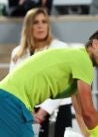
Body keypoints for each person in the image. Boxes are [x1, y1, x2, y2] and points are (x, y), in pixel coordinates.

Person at [0, 29, 98, 136]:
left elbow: (81, 112)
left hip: (6, 98)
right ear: (95, 44)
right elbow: (89, 112)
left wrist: (88, 135)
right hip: (12, 102)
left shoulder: (77, 59)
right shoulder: (83, 61)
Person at [9, 8, 71, 137]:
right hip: (26, 113)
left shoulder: (60, 48)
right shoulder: (17, 53)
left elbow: (61, 83)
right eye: (36, 22)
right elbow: (13, 86)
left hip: (57, 110)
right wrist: (29, 111)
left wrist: (42, 112)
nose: (40, 26)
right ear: (28, 26)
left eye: (44, 22)